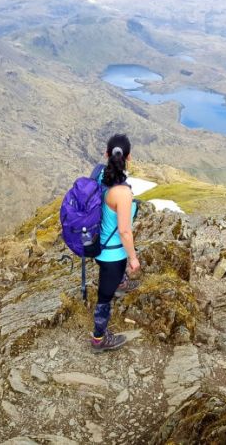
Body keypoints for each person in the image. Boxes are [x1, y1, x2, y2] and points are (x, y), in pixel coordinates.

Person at [91, 134, 141, 353]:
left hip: (96, 245)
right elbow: (124, 231)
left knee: (110, 279)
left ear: (106, 154)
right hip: (112, 254)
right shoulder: (123, 192)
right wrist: (133, 258)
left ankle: (120, 283)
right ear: (128, 157)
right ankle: (99, 338)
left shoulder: (99, 174)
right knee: (104, 296)